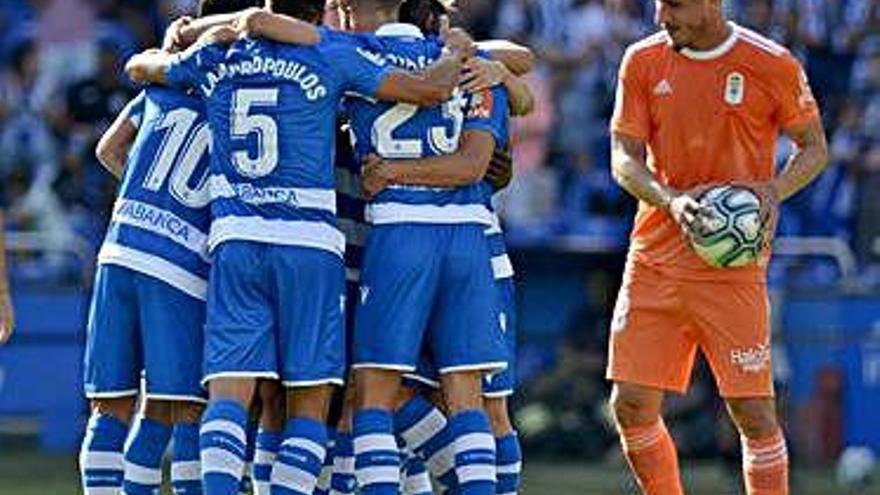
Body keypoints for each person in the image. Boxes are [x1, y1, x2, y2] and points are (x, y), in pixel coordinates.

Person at [125, 1, 470, 493]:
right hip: (315, 244)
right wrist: (457, 53)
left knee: (235, 394)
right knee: (318, 402)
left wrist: (195, 30)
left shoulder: (222, 55)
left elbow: (139, 66)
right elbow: (431, 88)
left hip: (237, 238)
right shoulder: (332, 52)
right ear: (318, 13)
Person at [607, 1, 829, 494]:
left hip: (733, 268)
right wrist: (671, 202)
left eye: (676, 6)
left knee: (752, 413)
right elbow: (623, 158)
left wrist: (773, 189)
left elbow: (813, 147)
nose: (662, 17)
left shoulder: (771, 62)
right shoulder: (641, 60)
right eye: (659, 5)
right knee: (630, 406)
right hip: (655, 258)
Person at [77, 2, 262, 495]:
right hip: (178, 263)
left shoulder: (161, 85)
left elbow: (107, 150)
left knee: (109, 405)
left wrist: (144, 195)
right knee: (177, 406)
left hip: (119, 249)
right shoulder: (242, 93)